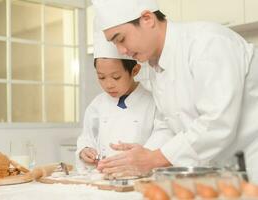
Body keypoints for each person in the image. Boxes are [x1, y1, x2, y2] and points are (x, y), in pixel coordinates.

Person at [92, 0, 258, 183]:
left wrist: (153, 159)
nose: (121, 50)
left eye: (121, 39)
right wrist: (146, 155)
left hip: (252, 166)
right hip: (223, 174)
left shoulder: (207, 42)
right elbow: (169, 124)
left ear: (147, 19)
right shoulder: (157, 66)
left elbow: (217, 122)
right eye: (114, 43)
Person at [75, 19, 172, 173]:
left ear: (135, 71)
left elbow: (164, 135)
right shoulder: (97, 104)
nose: (108, 85)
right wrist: (85, 150)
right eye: (101, 77)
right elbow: (87, 136)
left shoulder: (154, 101)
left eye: (116, 77)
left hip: (140, 176)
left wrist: (145, 155)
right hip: (103, 176)